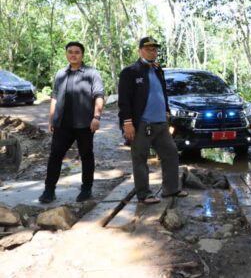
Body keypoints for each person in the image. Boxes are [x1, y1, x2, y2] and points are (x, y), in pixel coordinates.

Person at [118, 37, 186, 204]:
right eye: (148, 49)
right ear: (140, 50)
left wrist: (167, 111)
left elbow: (161, 93)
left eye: (155, 49)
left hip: (161, 123)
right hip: (141, 123)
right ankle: (144, 194)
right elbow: (124, 100)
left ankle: (171, 189)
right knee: (140, 158)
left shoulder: (157, 70)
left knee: (170, 154)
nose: (152, 51)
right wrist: (127, 123)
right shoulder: (130, 72)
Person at [39, 42, 104, 203]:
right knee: (55, 156)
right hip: (62, 125)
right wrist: (51, 119)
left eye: (77, 52)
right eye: (70, 52)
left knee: (86, 157)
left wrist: (96, 117)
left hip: (84, 124)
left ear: (82, 55)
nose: (73, 55)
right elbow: (54, 97)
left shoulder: (91, 73)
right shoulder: (60, 74)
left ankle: (86, 189)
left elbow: (99, 96)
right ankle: (49, 190)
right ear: (66, 54)